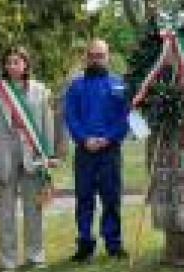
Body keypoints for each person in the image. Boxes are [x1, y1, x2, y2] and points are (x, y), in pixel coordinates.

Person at [0, 47, 59, 270]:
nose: (12, 66)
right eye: (8, 62)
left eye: (17, 62)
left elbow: (47, 124)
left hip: (33, 154)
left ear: (26, 64)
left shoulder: (41, 90)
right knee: (5, 211)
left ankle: (35, 256)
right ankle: (7, 260)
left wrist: (49, 154)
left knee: (33, 209)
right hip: (4, 154)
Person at [64, 39, 130, 263]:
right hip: (85, 152)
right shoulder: (76, 86)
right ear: (86, 57)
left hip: (110, 151)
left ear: (107, 57)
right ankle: (84, 244)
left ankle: (113, 244)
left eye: (100, 55)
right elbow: (71, 116)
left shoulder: (119, 85)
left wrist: (109, 138)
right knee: (84, 200)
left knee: (111, 199)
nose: (95, 59)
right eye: (92, 55)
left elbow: (125, 117)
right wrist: (84, 139)